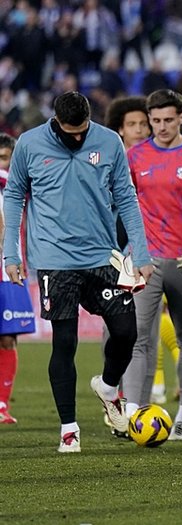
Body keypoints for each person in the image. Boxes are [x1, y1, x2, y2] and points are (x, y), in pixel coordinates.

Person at [3, 91, 154, 452]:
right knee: (65, 341)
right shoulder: (29, 144)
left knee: (125, 331)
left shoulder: (109, 141)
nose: (77, 137)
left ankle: (107, 385)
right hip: (54, 260)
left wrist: (142, 252)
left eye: (82, 131)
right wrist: (12, 252)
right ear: (55, 122)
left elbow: (127, 197)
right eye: (70, 132)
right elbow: (13, 196)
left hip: (103, 256)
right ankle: (69, 428)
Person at [121, 89, 182, 441]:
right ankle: (133, 416)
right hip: (144, 262)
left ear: (181, 117)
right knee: (138, 339)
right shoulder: (135, 156)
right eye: (154, 121)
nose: (160, 127)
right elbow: (122, 205)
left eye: (167, 120)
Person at [0, 132, 36, 424]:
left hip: (9, 271)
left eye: (4, 159)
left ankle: (1, 405)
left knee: (8, 338)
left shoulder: (21, 184)